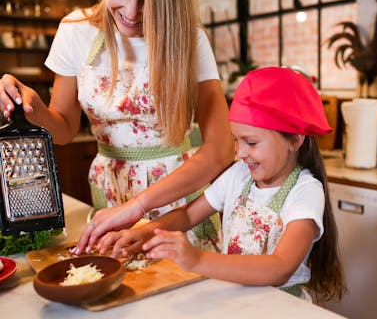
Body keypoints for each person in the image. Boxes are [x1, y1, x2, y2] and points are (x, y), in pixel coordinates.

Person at [0, 0, 234, 253]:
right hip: (111, 187)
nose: (132, 13)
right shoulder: (75, 31)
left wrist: (137, 205)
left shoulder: (189, 36)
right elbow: (65, 130)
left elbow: (221, 149)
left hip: (179, 195)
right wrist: (34, 106)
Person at [97, 66, 346, 301]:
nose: (240, 153)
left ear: (295, 139)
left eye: (251, 142)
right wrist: (140, 234)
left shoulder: (305, 191)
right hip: (236, 298)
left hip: (281, 309)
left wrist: (196, 259)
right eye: (236, 140)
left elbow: (280, 267)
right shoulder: (239, 175)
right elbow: (187, 216)